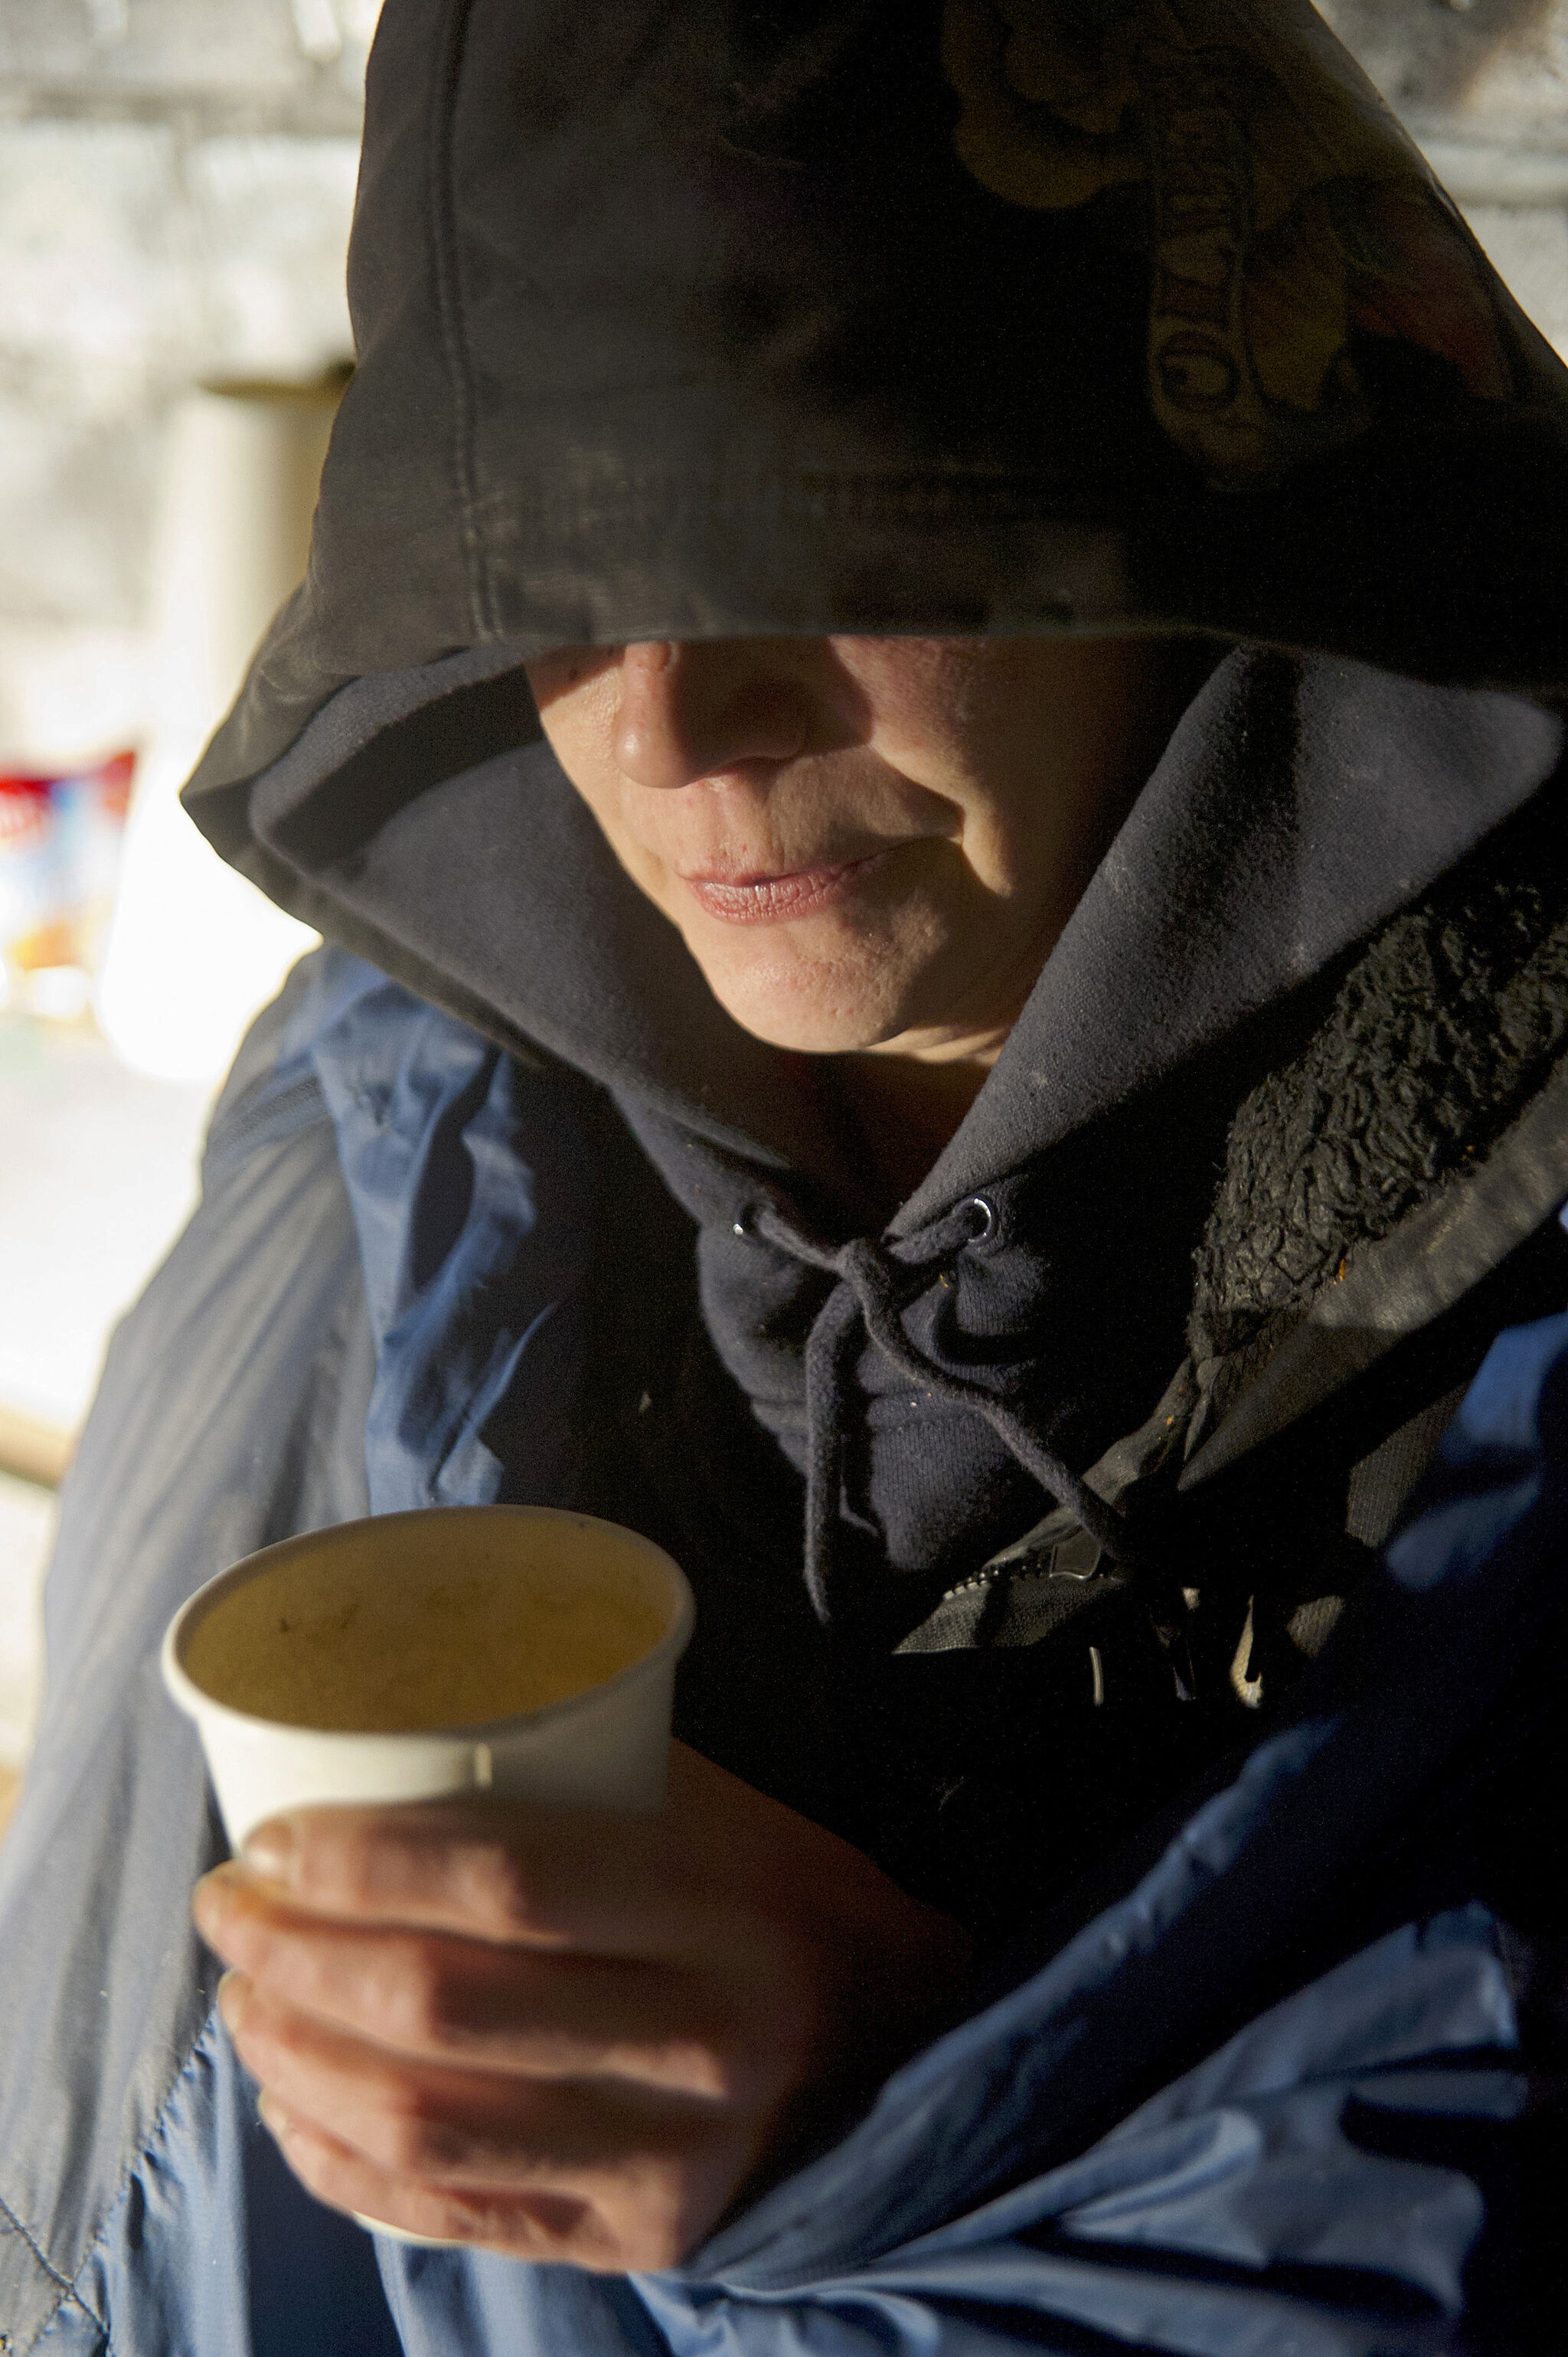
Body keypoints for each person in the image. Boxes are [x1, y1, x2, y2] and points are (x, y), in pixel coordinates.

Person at [3, 0, 1568, 2349]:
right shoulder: (361, 1121)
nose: (668, 727)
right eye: (541, 580)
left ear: (1173, 491)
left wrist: (928, 2122)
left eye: (819, 531)